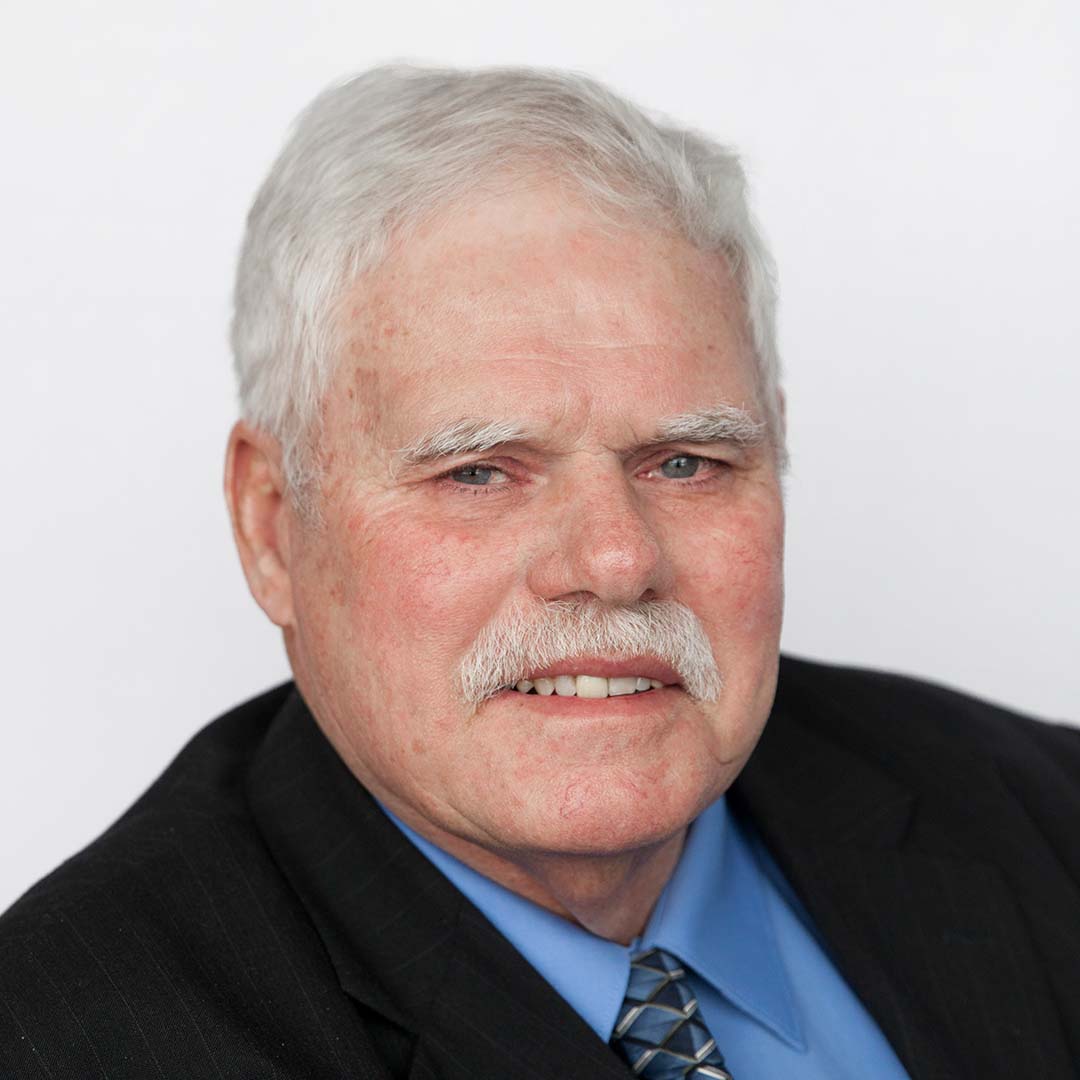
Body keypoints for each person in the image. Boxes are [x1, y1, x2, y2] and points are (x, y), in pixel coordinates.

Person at [1, 65, 1077, 1080]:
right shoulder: (69, 1037)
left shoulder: (1046, 816)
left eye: (687, 462)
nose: (615, 560)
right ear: (274, 525)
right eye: (478, 472)